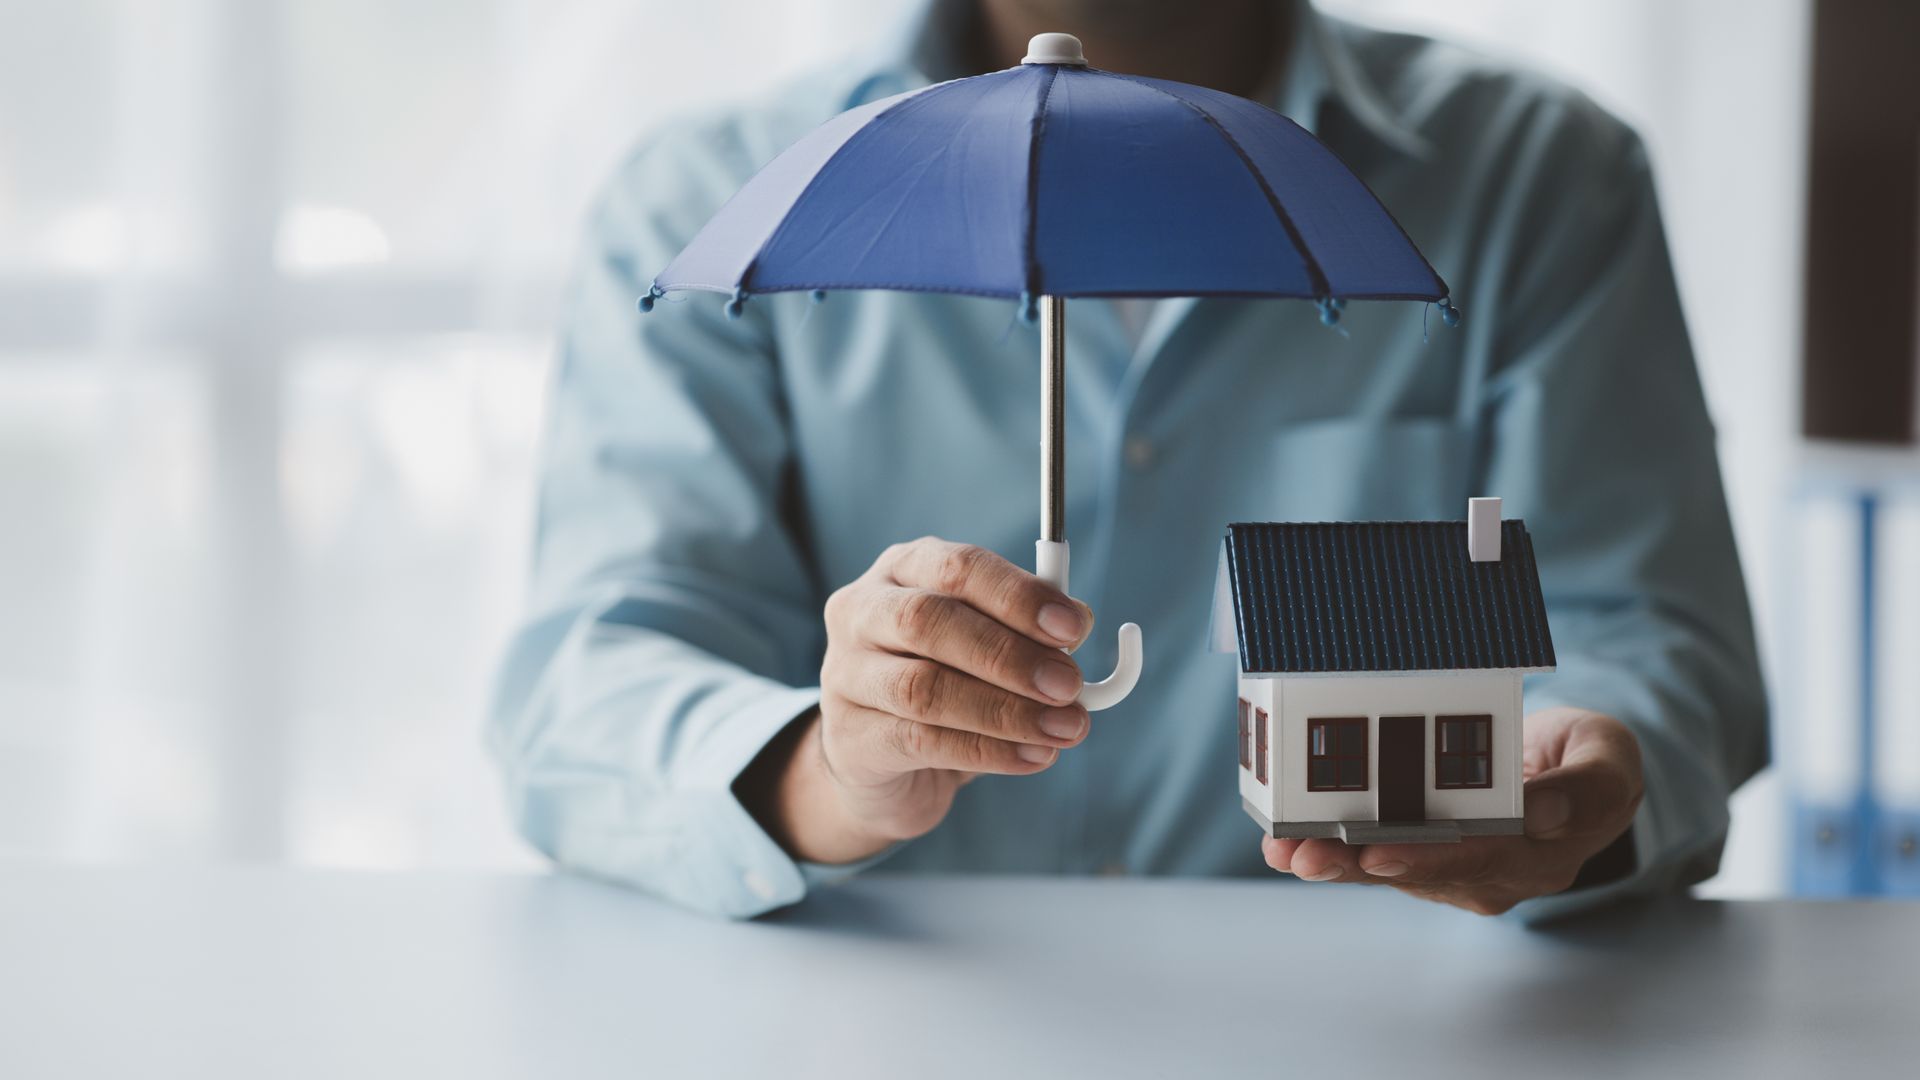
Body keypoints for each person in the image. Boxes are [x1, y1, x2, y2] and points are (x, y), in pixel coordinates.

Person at [488, 0, 1767, 920]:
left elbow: (1653, 644)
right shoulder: (706, 199)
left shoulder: (1540, 180)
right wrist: (833, 769)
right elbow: (589, 685)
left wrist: (1574, 793)